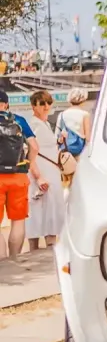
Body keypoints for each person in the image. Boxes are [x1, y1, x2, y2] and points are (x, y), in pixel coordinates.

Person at [0, 90, 43, 259]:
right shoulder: (18, 120)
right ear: (6, 104)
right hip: (18, 176)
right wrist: (28, 163)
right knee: (18, 221)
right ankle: (14, 260)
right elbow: (35, 147)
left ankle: (2, 264)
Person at [25, 91, 65, 249]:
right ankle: (36, 252)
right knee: (37, 214)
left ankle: (49, 248)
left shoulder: (45, 124)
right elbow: (30, 154)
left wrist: (58, 141)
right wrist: (38, 176)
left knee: (49, 213)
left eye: (48, 102)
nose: (46, 106)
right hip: (41, 175)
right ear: (34, 106)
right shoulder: (34, 125)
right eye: (42, 103)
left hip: (50, 173)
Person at [57, 87, 91, 182]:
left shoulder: (62, 114)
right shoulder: (85, 114)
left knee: (67, 177)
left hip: (65, 150)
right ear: (83, 99)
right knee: (79, 178)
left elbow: (57, 136)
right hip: (79, 150)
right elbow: (88, 137)